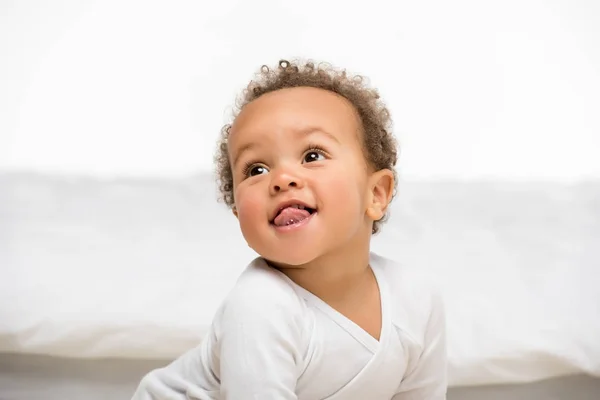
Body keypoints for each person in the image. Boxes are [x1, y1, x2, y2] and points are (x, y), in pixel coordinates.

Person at [131, 59, 447, 399]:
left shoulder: (416, 299)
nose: (281, 179)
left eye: (312, 155)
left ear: (376, 194)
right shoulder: (261, 305)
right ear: (238, 215)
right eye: (256, 169)